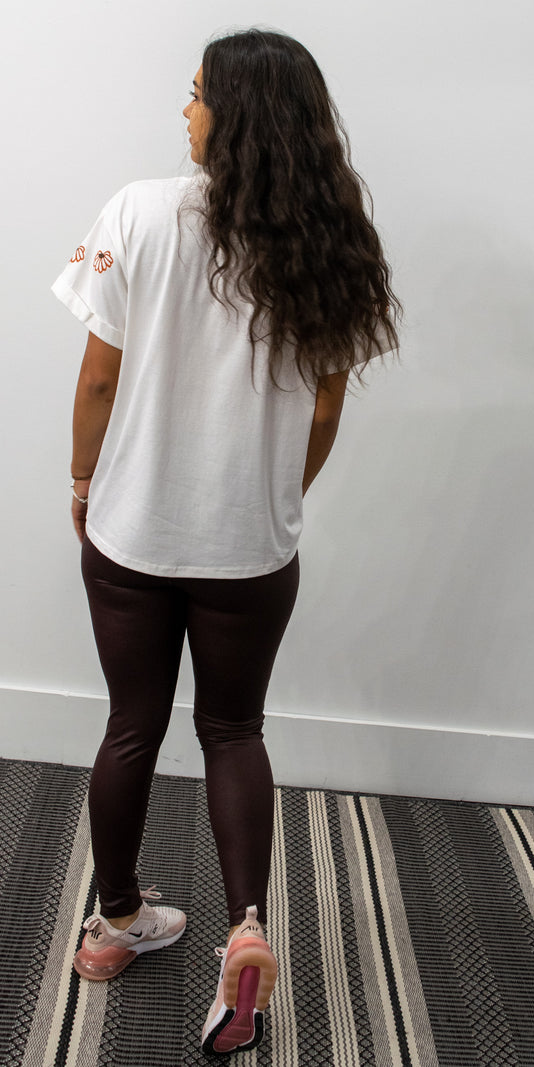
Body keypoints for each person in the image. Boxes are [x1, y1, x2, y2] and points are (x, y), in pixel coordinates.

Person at [51, 26, 401, 1056]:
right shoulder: (333, 240)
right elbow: (325, 410)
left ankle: (116, 923)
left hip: (132, 531)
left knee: (130, 725)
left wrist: (83, 478)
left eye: (198, 93)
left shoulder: (138, 210)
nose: (186, 109)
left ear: (235, 114)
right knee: (234, 730)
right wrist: (271, 497)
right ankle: (245, 927)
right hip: (250, 547)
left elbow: (100, 378)